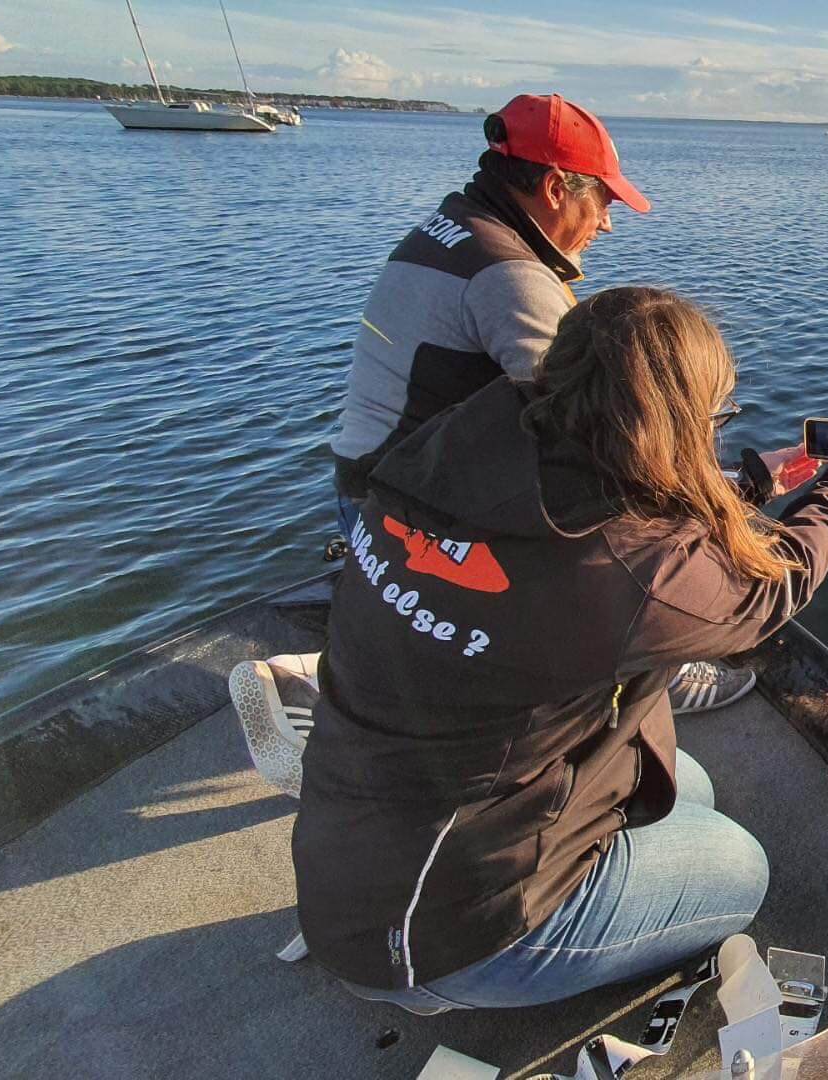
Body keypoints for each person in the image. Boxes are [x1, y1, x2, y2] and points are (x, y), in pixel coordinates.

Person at [293, 286, 828, 1012]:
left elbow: (618, 513)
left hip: (350, 858)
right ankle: (505, 968)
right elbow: (771, 590)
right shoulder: (625, 578)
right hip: (442, 938)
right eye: (712, 420)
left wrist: (757, 480)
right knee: (741, 867)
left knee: (683, 784)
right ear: (673, 423)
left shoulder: (456, 442)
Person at [233, 95, 746, 800]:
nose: (606, 222)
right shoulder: (512, 278)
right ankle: (654, 666)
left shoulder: (448, 229)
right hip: (414, 514)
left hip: (371, 494)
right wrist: (718, 493)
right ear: (556, 188)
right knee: (617, 506)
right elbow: (599, 429)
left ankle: (334, 671)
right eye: (602, 201)